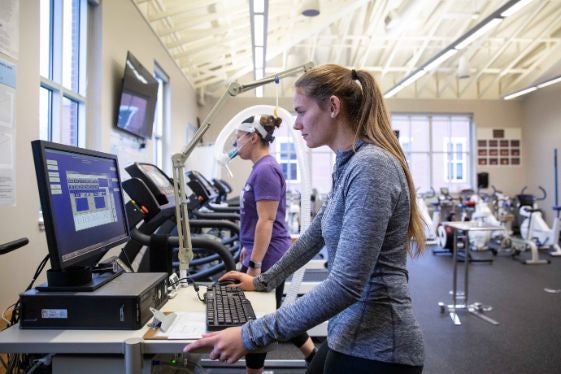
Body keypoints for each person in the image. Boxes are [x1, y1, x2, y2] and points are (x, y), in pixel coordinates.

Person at [185, 64, 427, 373]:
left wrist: (251, 335)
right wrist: (262, 281)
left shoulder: (371, 168)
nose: (296, 124)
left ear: (333, 106)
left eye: (301, 112)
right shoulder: (350, 165)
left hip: (379, 347)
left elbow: (346, 285)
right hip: (349, 332)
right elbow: (316, 234)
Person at [231, 114, 316, 373]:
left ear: (253, 137)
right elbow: (258, 219)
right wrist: (248, 248)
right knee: (275, 313)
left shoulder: (266, 169)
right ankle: (314, 356)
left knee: (258, 319)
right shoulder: (260, 168)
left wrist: (255, 265)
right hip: (262, 251)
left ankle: (255, 371)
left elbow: (266, 221)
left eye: (238, 138)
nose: (236, 144)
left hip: (268, 257)